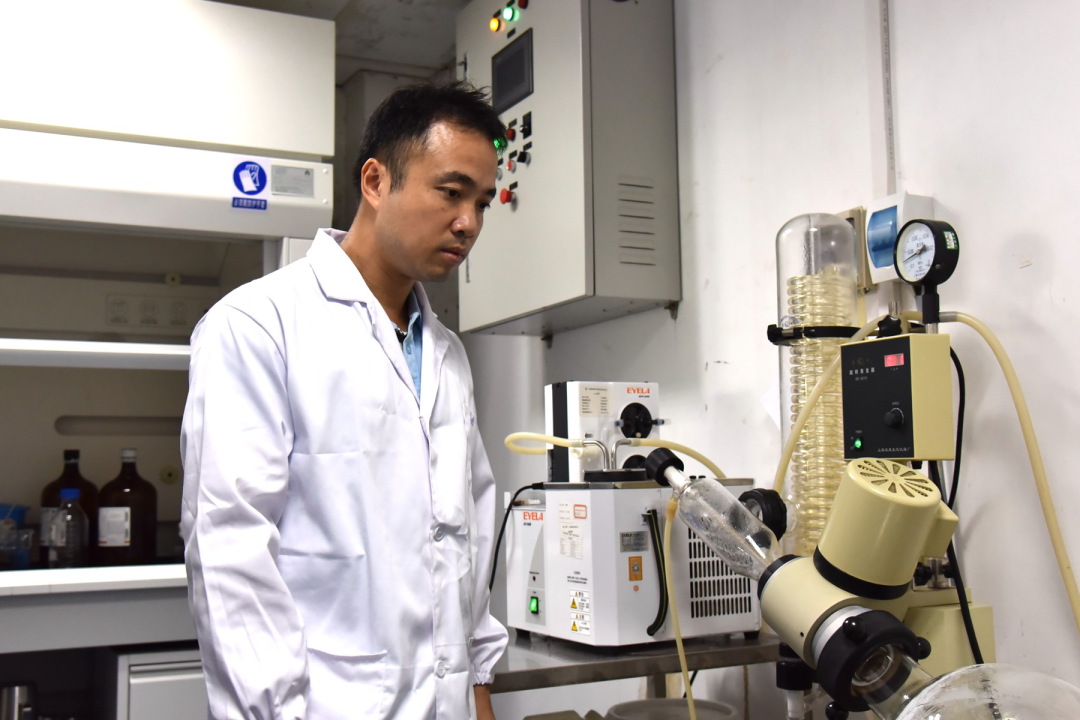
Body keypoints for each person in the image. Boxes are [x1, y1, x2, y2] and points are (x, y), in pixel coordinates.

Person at [180, 81, 508, 720]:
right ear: (376, 181)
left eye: (482, 203)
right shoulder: (259, 325)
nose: (468, 223)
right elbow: (230, 552)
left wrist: (477, 689)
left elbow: (463, 540)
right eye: (451, 192)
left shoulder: (446, 354)